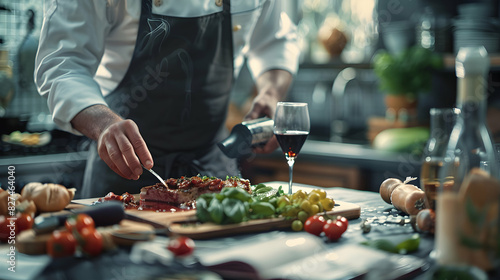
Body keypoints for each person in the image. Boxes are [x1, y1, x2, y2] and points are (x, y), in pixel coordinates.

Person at [35, 0, 300, 198]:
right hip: (125, 174)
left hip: (214, 175)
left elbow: (275, 42)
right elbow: (63, 63)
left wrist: (271, 93)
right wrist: (103, 123)